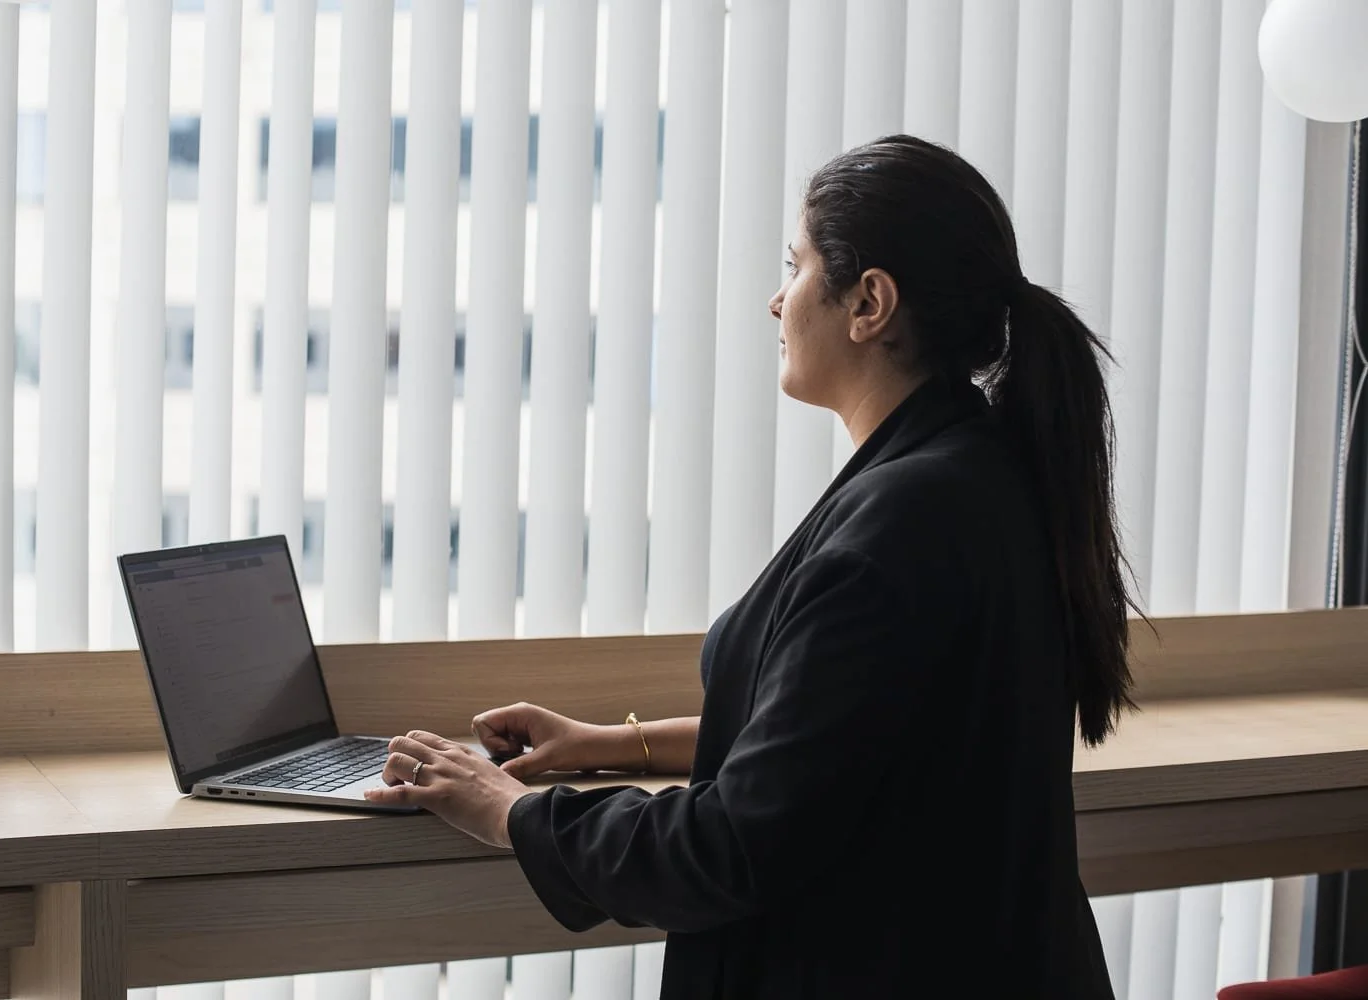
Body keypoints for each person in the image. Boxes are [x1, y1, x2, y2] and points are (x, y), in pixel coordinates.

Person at [365, 134, 1131, 999]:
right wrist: (610, 744)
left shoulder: (897, 530)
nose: (776, 300)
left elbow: (728, 849)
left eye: (796, 266)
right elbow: (842, 738)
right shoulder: (982, 472)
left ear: (869, 302)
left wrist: (511, 813)